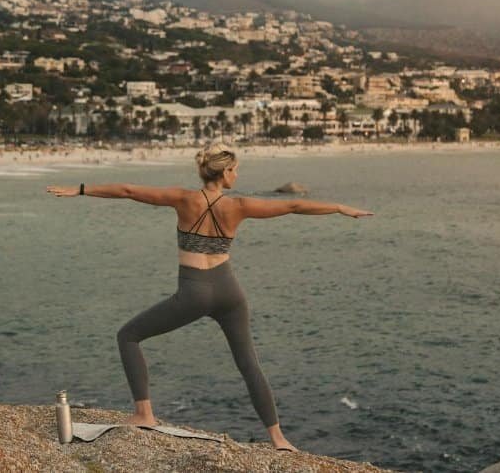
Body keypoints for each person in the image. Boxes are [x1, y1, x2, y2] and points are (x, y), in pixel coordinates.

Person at [46, 141, 373, 452]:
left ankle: (144, 413)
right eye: (236, 170)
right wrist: (339, 208)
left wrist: (81, 189)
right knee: (249, 364)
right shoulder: (240, 206)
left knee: (128, 335)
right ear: (226, 172)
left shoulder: (184, 199)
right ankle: (278, 438)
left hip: (195, 292)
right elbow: (293, 205)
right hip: (230, 291)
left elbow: (129, 191)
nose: (238, 175)